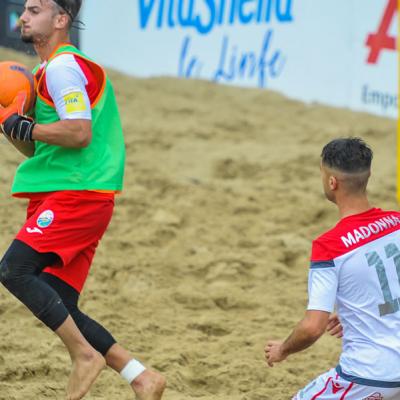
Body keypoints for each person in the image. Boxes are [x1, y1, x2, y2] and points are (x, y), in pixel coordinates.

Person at [0, 1, 166, 399]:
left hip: (78, 193)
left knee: (14, 270)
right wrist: (12, 127)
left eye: (35, 9)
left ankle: (84, 356)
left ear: (61, 20)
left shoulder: (63, 67)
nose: (24, 16)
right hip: (70, 191)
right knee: (60, 301)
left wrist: (27, 126)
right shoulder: (46, 71)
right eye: (24, 9)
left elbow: (78, 132)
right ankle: (141, 376)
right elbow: (40, 148)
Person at [265, 138, 400, 399]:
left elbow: (313, 327)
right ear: (368, 175)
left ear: (331, 182)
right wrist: (358, 309)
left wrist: (283, 349)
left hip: (369, 374)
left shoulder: (329, 246)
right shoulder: (396, 222)